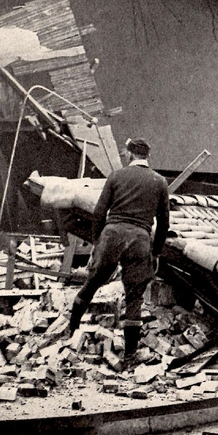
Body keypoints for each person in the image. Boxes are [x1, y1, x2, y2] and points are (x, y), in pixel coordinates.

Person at [67, 138, 169, 367]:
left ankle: (71, 331)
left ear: (130, 154)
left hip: (112, 235)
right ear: (148, 156)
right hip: (140, 239)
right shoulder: (160, 182)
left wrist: (97, 243)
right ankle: (130, 357)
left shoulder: (116, 176)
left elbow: (99, 213)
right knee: (134, 298)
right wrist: (155, 252)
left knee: (92, 283)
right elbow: (164, 223)